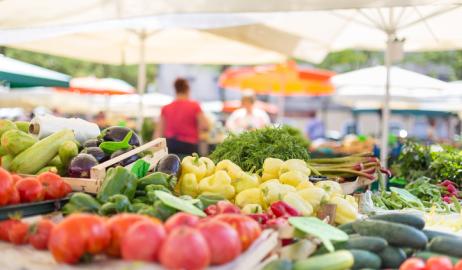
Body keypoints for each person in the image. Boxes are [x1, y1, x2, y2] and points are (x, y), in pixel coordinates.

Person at [154, 78, 208, 156]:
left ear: (175, 90)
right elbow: (205, 126)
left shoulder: (166, 108)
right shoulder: (194, 106)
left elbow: (158, 131)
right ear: (187, 90)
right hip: (189, 146)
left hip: (170, 146)